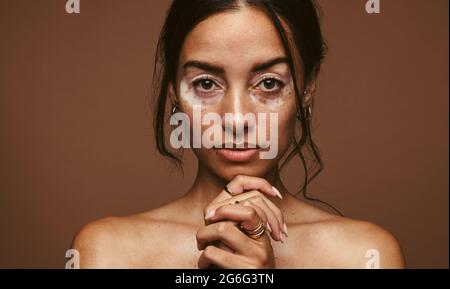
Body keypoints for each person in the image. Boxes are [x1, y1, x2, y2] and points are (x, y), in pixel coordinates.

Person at [71, 0, 405, 268]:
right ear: (173, 90)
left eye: (269, 83)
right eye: (205, 84)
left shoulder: (364, 256)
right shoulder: (107, 252)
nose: (236, 118)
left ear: (307, 88)